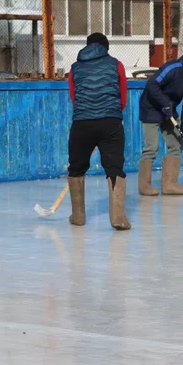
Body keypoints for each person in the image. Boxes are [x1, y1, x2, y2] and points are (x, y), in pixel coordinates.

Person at [66, 32, 130, 230]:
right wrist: (111, 114)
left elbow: (74, 97)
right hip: (110, 121)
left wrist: (87, 116)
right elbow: (123, 96)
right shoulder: (116, 64)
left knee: (76, 167)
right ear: (106, 47)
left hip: (82, 122)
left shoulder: (74, 68)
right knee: (114, 166)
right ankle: (118, 218)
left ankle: (78, 216)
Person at [138, 46, 183, 196]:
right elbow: (152, 84)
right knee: (152, 147)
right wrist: (165, 103)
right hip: (151, 107)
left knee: (176, 144)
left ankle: (169, 184)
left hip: (169, 111)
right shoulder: (173, 68)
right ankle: (144, 186)